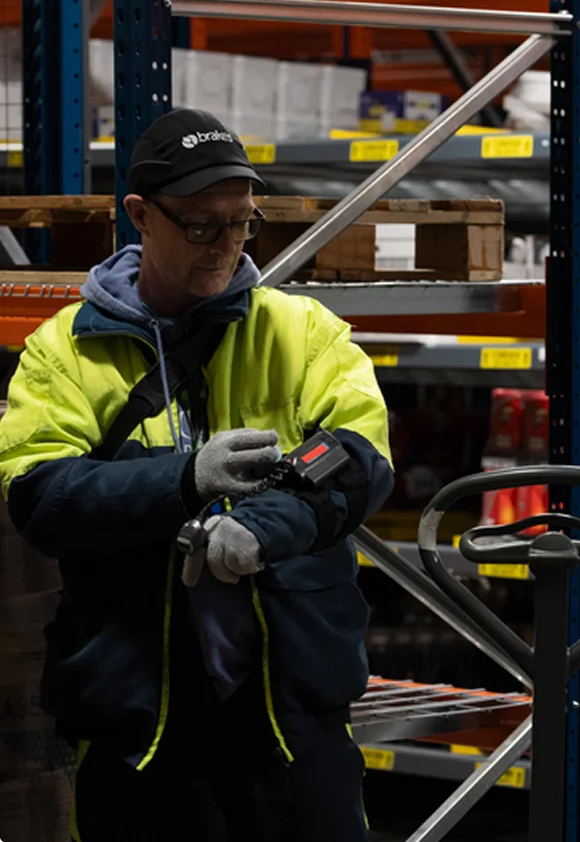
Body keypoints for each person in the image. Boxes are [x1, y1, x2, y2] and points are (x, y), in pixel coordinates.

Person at [0, 108, 394, 841]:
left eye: (241, 223)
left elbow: (354, 459)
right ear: (141, 216)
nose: (225, 246)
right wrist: (182, 480)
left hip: (293, 714)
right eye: (200, 226)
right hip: (141, 725)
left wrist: (263, 526)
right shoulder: (63, 353)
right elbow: (42, 496)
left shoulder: (304, 331)